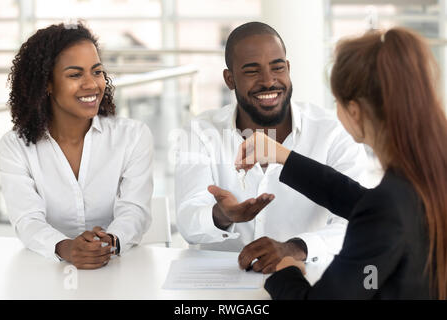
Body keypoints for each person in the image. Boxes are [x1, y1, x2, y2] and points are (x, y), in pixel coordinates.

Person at [236, 27, 447, 299]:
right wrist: (283, 157)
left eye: (336, 101)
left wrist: (286, 272)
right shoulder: (427, 177)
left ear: (354, 111)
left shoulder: (388, 207)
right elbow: (361, 201)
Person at [174, 22, 369, 273]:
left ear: (288, 68)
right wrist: (222, 216)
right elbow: (188, 222)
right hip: (225, 288)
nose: (268, 81)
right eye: (252, 71)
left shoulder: (333, 132)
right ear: (230, 79)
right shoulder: (200, 132)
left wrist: (296, 248)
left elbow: (359, 220)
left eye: (277, 67)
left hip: (310, 281)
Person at [0, 22, 154, 269]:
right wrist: (67, 248)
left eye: (97, 71)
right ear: (46, 83)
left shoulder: (132, 136)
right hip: (46, 271)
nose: (92, 84)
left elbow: (134, 210)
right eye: (75, 74)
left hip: (119, 269)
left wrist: (108, 243)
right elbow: (27, 219)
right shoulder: (15, 147)